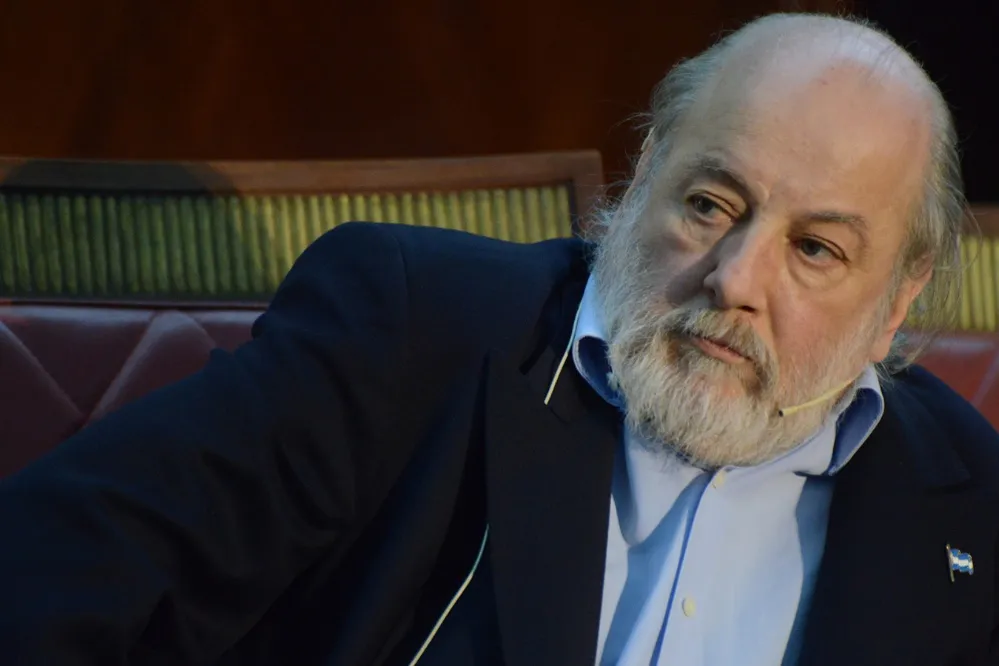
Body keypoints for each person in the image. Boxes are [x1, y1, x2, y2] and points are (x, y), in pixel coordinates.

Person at [2, 12, 997, 666]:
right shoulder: (410, 333)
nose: (734, 281)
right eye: (708, 203)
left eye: (815, 249)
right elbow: (48, 571)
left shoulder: (966, 503)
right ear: (645, 172)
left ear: (898, 300)